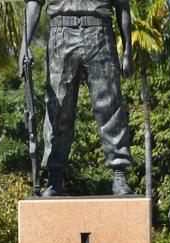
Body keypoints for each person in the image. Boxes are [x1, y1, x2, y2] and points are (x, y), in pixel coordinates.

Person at [21, 0, 134, 197]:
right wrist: (25, 44)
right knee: (58, 108)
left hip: (99, 31)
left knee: (109, 104)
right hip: (60, 32)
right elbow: (34, 2)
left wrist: (127, 51)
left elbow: (122, 5)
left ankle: (119, 173)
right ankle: (54, 177)